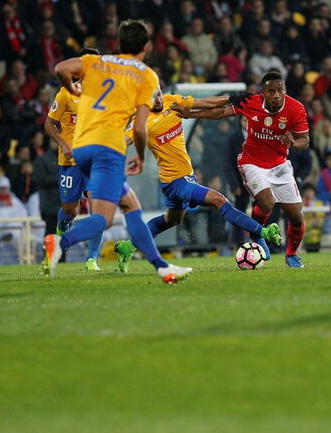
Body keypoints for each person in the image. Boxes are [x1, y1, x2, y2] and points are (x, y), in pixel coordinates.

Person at [43, 20, 192, 283]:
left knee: (130, 204)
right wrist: (142, 156)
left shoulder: (97, 62)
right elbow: (140, 129)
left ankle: (162, 267)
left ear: (118, 43)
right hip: (107, 148)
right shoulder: (146, 75)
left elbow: (61, 68)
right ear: (145, 47)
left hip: (81, 147)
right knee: (104, 217)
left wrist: (72, 87)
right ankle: (61, 242)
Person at [114, 91, 283, 272]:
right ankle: (262, 232)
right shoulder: (142, 121)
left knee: (172, 220)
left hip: (184, 177)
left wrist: (231, 99)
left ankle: (127, 247)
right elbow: (122, 141)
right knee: (219, 200)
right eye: (151, 97)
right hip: (175, 182)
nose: (157, 99)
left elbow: (204, 103)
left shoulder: (172, 101)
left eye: (158, 94)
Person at [174, 71, 311, 268]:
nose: (276, 95)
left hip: (280, 165)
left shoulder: (296, 108)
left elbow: (304, 141)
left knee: (296, 216)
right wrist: (191, 114)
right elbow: (221, 112)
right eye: (271, 91)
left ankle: (291, 254)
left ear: (285, 90)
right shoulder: (251, 102)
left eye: (280, 90)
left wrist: (293, 143)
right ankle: (257, 234)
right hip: (251, 162)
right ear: (263, 92)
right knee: (267, 203)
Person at [44, 56, 102, 271]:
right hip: (69, 161)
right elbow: (49, 124)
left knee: (98, 210)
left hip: (94, 160)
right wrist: (63, 143)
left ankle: (92, 259)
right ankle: (63, 225)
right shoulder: (66, 93)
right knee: (70, 210)